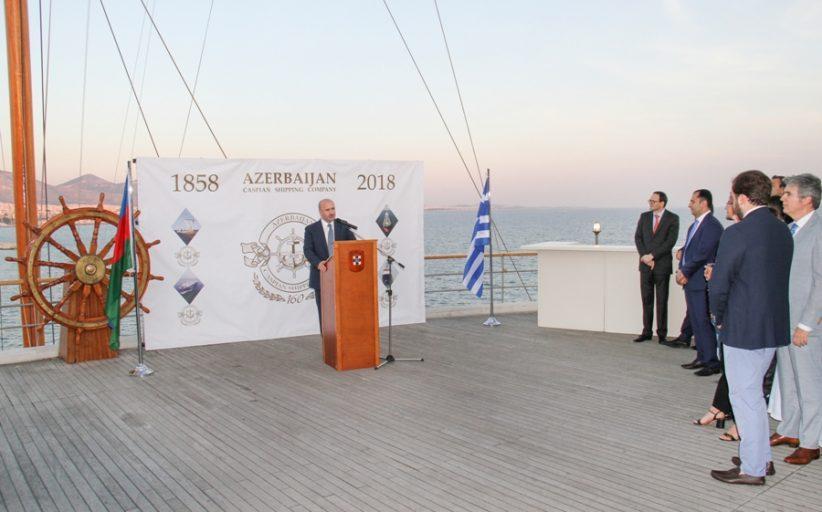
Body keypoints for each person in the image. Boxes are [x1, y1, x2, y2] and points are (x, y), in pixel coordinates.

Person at [709, 170, 793, 485]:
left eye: (733, 196)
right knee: (754, 395)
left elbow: (720, 284)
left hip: (743, 326)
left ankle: (753, 469)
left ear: (743, 198)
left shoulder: (737, 233)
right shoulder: (782, 229)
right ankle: (760, 458)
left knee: (745, 397)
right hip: (772, 325)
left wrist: (717, 317)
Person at [771, 173, 822, 465]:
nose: (782, 197)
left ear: (807, 200)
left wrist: (806, 325)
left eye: (788, 193)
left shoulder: (818, 230)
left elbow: (821, 281)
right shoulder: (791, 229)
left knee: (809, 384)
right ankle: (790, 429)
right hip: (784, 319)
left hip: (804, 325)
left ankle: (811, 442)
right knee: (788, 379)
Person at [676, 190, 724, 375]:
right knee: (696, 321)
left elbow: (703, 253)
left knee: (703, 321)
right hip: (691, 281)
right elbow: (690, 249)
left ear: (704, 203)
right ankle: (702, 357)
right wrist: (681, 268)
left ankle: (711, 361)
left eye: (693, 201)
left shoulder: (712, 225)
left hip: (701, 281)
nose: (689, 204)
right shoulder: (694, 226)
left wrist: (685, 271)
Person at [633, 191, 680, 343]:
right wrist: (645, 257)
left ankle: (662, 334)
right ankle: (646, 332)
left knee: (661, 301)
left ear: (662, 203)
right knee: (646, 299)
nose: (650, 203)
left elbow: (670, 242)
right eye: (650, 201)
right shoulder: (644, 217)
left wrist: (652, 256)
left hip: (662, 266)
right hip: (645, 266)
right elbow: (638, 238)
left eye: (653, 201)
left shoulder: (673, 218)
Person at [303, 199, 356, 327]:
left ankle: (344, 337)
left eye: (333, 208)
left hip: (343, 277)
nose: (331, 212)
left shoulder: (343, 227)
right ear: (320, 211)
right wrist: (318, 263)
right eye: (327, 210)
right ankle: (327, 339)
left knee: (344, 313)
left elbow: (354, 247)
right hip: (321, 276)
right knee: (325, 314)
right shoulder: (311, 229)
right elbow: (307, 250)